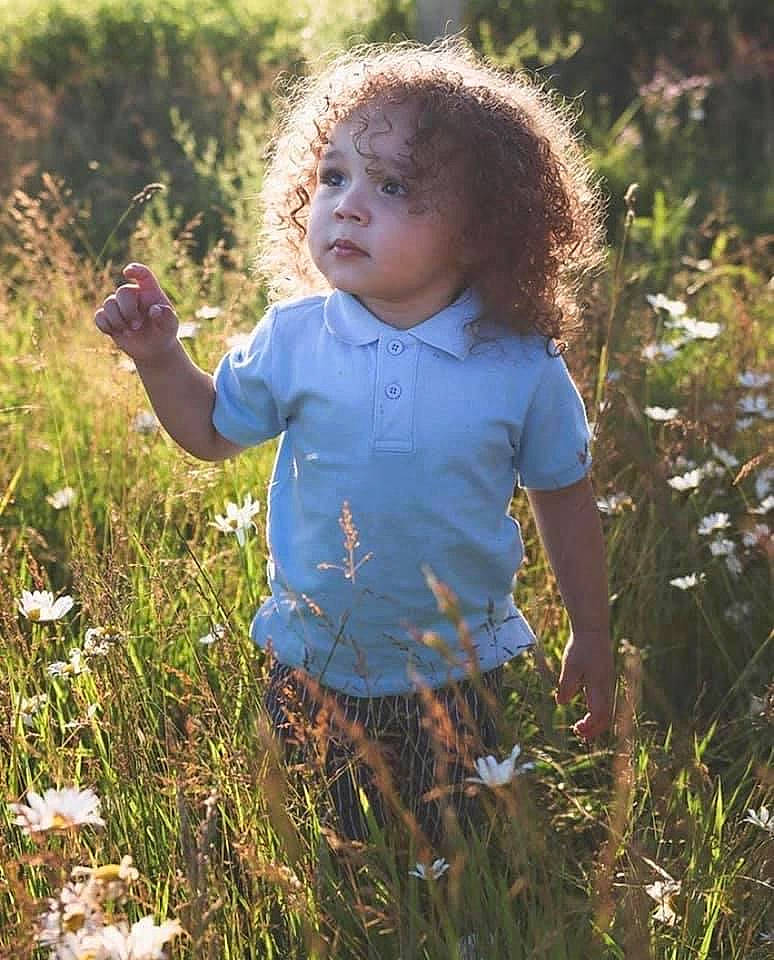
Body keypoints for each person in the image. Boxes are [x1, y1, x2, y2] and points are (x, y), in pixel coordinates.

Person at [95, 39, 613, 853]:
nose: (348, 206)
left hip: (460, 664)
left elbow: (563, 493)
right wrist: (161, 358)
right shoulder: (296, 338)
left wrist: (592, 630)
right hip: (313, 657)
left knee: (455, 851)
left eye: (393, 185)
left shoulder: (519, 363)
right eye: (334, 176)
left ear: (482, 230)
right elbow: (210, 432)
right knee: (323, 847)